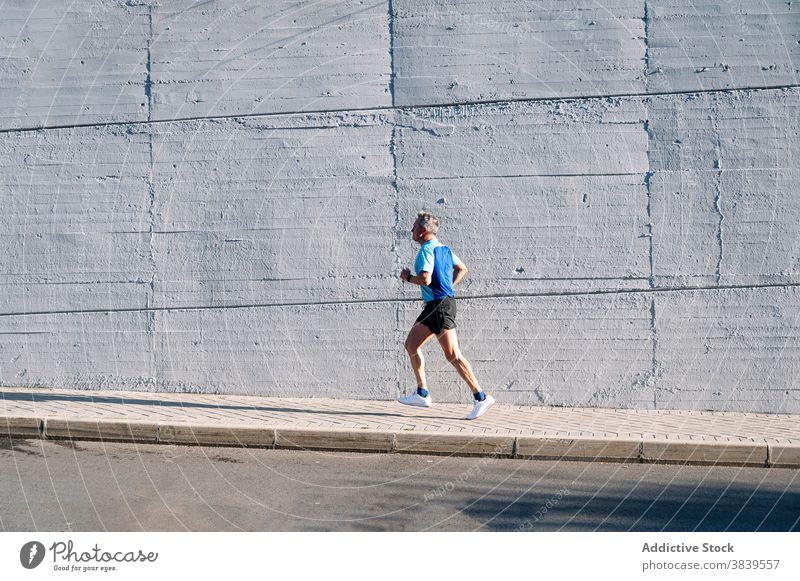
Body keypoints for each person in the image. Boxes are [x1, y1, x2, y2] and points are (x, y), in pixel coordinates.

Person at [398, 211, 495, 420]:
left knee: (453, 355)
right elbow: (462, 268)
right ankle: (422, 393)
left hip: (439, 307)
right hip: (435, 306)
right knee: (411, 344)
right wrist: (446, 287)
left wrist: (407, 277)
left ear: (423, 231)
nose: (412, 230)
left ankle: (480, 397)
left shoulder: (425, 250)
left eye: (414, 227)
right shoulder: (444, 249)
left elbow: (424, 279)